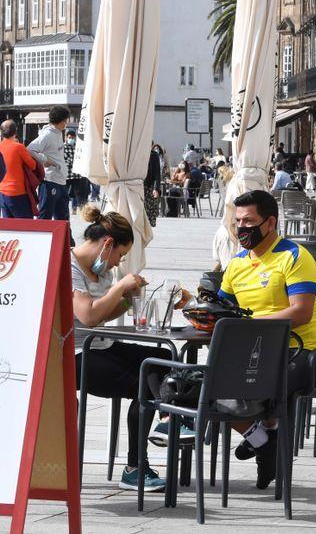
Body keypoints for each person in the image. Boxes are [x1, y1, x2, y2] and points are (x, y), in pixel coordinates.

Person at [71, 206, 187, 492]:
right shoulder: (67, 265)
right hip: (71, 354)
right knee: (144, 382)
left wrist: (128, 300)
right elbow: (87, 315)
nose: (116, 263)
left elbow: (103, 315)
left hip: (99, 345)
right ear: (107, 244)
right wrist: (119, 286)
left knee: (163, 357)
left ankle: (166, 418)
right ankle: (137, 464)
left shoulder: (103, 271)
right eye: (120, 256)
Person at [219, 190, 316, 488]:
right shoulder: (237, 263)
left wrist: (249, 324)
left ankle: (266, 435)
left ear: (270, 223)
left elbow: (301, 312)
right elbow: (220, 309)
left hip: (302, 353)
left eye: (249, 221)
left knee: (247, 385)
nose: (242, 228)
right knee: (203, 388)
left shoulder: (294, 256)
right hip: (253, 352)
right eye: (237, 221)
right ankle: (263, 440)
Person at [27, 105, 70, 221]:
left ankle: (67, 239)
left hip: (61, 180)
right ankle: (40, 238)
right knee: (45, 216)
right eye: (66, 120)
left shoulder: (58, 133)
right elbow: (30, 149)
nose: (67, 123)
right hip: (49, 181)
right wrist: (44, 160)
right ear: (61, 120)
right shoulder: (47, 135)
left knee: (64, 218)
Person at [0, 119, 38, 218]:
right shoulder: (18, 147)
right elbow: (32, 165)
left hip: (2, 192)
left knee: (9, 228)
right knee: (25, 227)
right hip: (18, 192)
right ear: (15, 132)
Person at [143, 142, 162, 227]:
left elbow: (157, 174)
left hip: (149, 186)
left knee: (149, 210)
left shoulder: (154, 155)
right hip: (138, 186)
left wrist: (155, 188)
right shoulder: (137, 154)